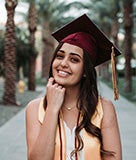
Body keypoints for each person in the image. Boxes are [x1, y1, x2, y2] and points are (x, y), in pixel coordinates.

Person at [26, 14, 122, 160]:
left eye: (74, 59)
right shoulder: (35, 109)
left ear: (85, 71)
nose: (63, 63)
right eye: (59, 56)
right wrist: (52, 108)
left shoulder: (103, 109)